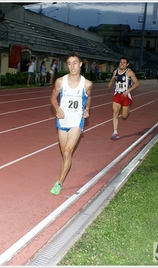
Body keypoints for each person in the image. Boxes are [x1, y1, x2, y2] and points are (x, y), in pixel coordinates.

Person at [49, 51, 93, 195]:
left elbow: (89, 96)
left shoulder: (87, 84)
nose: (72, 66)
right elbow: (53, 97)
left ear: (80, 64)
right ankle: (65, 169)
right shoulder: (60, 81)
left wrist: (86, 109)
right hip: (62, 120)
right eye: (69, 63)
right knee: (65, 154)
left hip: (76, 121)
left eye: (75, 63)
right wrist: (57, 109)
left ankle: (59, 183)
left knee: (68, 151)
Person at [107, 56, 140, 140]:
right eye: (121, 62)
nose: (122, 64)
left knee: (124, 116)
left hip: (126, 96)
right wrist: (110, 82)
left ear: (127, 64)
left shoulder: (129, 72)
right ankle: (115, 132)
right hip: (117, 95)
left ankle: (128, 107)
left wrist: (128, 90)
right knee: (115, 113)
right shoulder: (115, 71)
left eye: (124, 63)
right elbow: (113, 78)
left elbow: (137, 84)